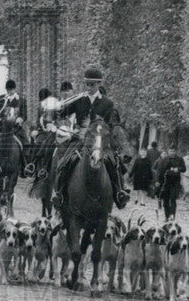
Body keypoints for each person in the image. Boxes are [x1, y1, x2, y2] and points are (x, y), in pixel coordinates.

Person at [52, 67, 131, 210]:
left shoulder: (108, 103)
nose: (89, 87)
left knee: (113, 162)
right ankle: (59, 193)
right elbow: (61, 114)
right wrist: (58, 108)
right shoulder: (79, 100)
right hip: (81, 140)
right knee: (65, 161)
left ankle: (119, 191)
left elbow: (114, 122)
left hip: (101, 140)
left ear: (99, 84)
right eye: (87, 84)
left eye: (92, 84)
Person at [158, 148, 186, 220]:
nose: (172, 152)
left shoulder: (180, 159)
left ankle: (172, 216)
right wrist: (158, 181)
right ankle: (167, 216)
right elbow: (160, 170)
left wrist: (178, 169)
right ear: (168, 151)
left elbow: (184, 169)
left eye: (173, 151)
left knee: (173, 198)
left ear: (176, 151)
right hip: (166, 182)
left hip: (175, 182)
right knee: (166, 200)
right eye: (170, 151)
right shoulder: (164, 159)